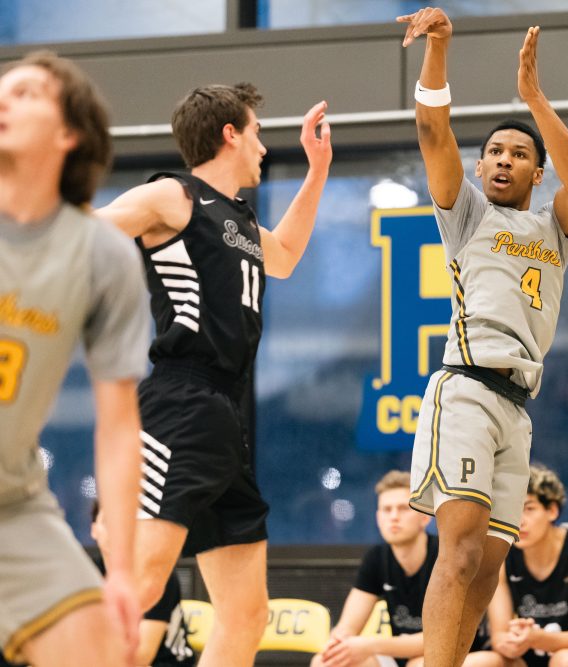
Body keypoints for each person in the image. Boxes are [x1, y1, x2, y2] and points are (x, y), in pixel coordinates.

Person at [95, 82, 332, 666]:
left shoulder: (241, 223)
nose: (262, 147)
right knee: (141, 588)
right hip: (180, 401)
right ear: (230, 133)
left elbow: (287, 257)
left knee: (247, 616)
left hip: (225, 415)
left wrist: (318, 168)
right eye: (256, 132)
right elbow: (87, 234)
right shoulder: (172, 197)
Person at [396, 7, 568, 667]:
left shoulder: (552, 228)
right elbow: (431, 129)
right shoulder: (468, 213)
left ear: (536, 173)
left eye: (519, 154)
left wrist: (535, 99)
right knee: (457, 551)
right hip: (468, 389)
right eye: (496, 153)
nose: (504, 159)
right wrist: (439, 50)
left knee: (487, 568)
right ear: (482, 168)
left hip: (518, 405)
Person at [0, 51, 148, 666]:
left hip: (11, 508)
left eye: (28, 93)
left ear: (70, 135)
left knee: (101, 648)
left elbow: (118, 426)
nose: (4, 98)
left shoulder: (102, 256)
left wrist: (122, 571)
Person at [312, 470, 496, 667]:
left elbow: (441, 642)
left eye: (402, 509)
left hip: (462, 657)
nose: (393, 517)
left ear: (425, 518)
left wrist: (370, 644)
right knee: (324, 662)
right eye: (386, 509)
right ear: (377, 517)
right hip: (402, 658)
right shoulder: (376, 558)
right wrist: (338, 645)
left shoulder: (447, 557)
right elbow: (346, 628)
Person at [486, 464, 568, 667]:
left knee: (566, 660)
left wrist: (537, 639)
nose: (518, 521)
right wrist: (513, 641)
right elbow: (499, 637)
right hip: (525, 659)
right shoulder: (499, 551)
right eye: (509, 510)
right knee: (482, 661)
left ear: (552, 510)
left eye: (528, 509)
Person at [91, 502, 196, 666]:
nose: (115, 532)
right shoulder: (88, 575)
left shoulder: (156, 573)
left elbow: (142, 656)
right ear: (94, 530)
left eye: (123, 524)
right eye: (108, 523)